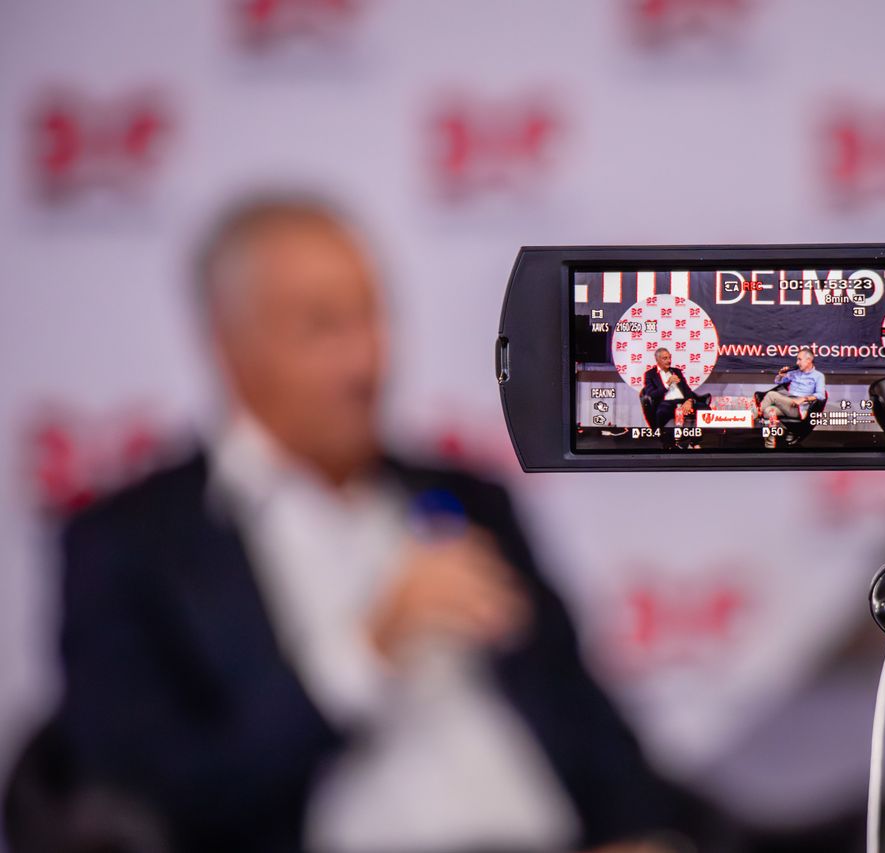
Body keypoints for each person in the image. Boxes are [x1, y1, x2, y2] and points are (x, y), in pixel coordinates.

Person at [43, 197, 689, 853]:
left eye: (371, 316)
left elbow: (587, 719)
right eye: (322, 327)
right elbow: (152, 795)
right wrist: (368, 652)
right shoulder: (131, 542)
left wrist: (642, 833)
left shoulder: (469, 499)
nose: (365, 361)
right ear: (231, 346)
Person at [757, 348, 825, 449]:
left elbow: (821, 395)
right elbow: (778, 381)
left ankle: (753, 415)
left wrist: (804, 398)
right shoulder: (795, 373)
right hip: (787, 403)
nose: (797, 362)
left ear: (809, 360)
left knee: (771, 395)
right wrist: (781, 375)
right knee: (768, 411)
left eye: (799, 359)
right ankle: (770, 446)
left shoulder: (818, 376)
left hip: (799, 408)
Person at [640, 349, 708, 448]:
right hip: (666, 403)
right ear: (657, 359)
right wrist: (668, 383)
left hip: (683, 401)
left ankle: (695, 441)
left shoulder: (676, 371)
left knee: (704, 408)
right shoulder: (650, 374)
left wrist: (689, 401)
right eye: (665, 358)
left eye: (669, 358)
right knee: (661, 412)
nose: (669, 361)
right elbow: (652, 394)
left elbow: (687, 389)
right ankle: (669, 443)